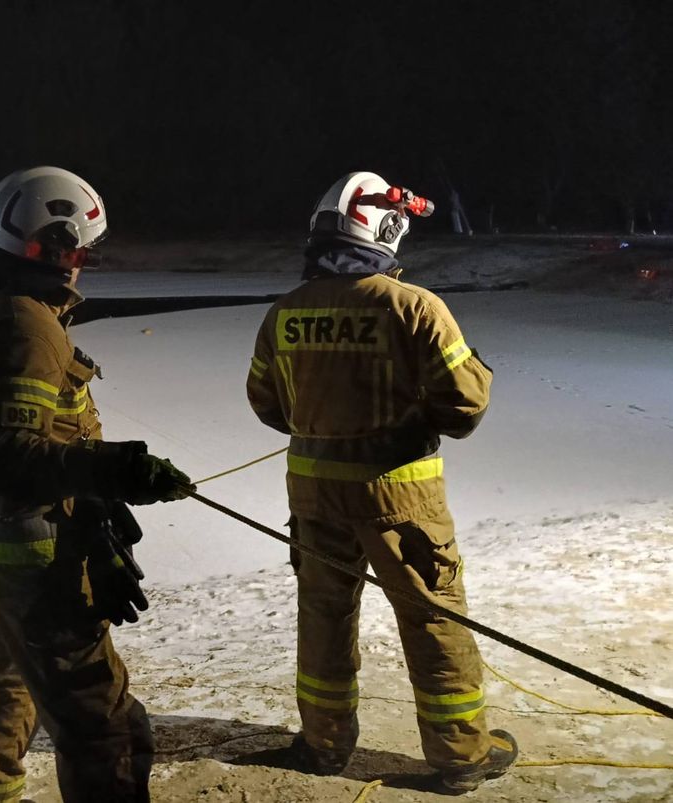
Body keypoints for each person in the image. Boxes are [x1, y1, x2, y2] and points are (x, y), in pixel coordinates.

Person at [0, 165, 193, 803]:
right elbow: (12, 456)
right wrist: (115, 469)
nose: (82, 266)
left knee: (6, 684)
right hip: (35, 556)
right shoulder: (25, 324)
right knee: (104, 726)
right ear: (60, 249)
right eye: (81, 253)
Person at [246, 171, 517, 794]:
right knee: (432, 618)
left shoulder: (284, 313)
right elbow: (465, 407)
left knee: (323, 617)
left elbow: (266, 404)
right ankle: (460, 754)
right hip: (401, 497)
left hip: (313, 495)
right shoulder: (414, 306)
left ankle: (323, 743)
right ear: (384, 230)